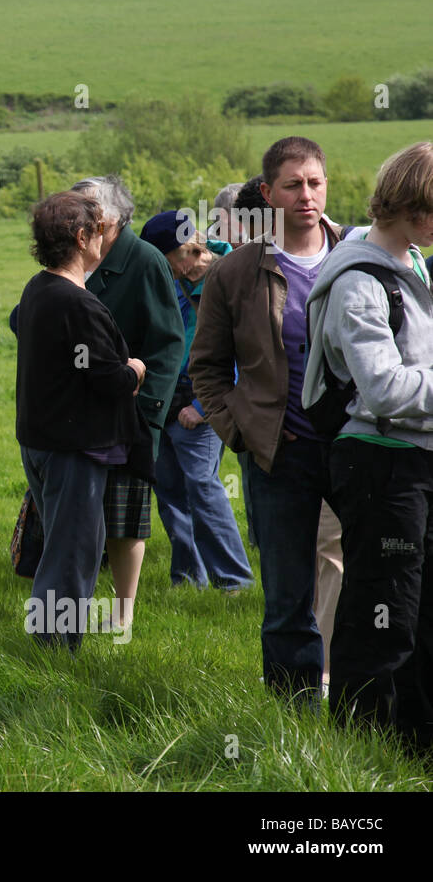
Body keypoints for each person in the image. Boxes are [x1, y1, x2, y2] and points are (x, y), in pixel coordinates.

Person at [191, 136, 351, 704]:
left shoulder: (357, 257)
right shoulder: (235, 273)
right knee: (287, 590)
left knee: (359, 573)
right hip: (279, 453)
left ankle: (356, 690)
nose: (306, 195)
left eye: (315, 182)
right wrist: (241, 432)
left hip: (358, 446)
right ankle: (293, 702)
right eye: (293, 184)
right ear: (267, 192)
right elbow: (206, 368)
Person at [303, 141, 433, 749]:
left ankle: (415, 741)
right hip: (380, 462)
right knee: (386, 609)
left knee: (420, 609)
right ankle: (361, 747)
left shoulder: (414, 262)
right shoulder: (360, 279)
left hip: (418, 456)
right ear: (416, 205)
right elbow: (382, 388)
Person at [16, 192, 150, 650]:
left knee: (68, 549)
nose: (104, 238)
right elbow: (108, 379)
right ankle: (54, 653)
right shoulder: (77, 302)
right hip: (72, 449)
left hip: (43, 441)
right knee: (71, 558)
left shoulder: (38, 288)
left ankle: (53, 646)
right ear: (81, 237)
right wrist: (135, 369)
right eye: (99, 229)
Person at [72, 176, 185, 631]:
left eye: (86, 209)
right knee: (75, 514)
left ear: (112, 218)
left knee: (124, 520)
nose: (76, 217)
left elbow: (169, 343)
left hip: (127, 415)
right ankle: (74, 605)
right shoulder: (73, 254)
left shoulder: (145, 260)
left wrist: (146, 413)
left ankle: (122, 614)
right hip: (74, 412)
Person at [139, 210, 254, 592]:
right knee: (169, 490)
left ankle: (233, 580)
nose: (160, 267)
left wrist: (205, 407)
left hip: (200, 400)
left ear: (183, 250)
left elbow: (243, 351)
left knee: (203, 489)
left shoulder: (229, 276)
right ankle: (189, 578)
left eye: (163, 259)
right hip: (164, 398)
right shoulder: (174, 280)